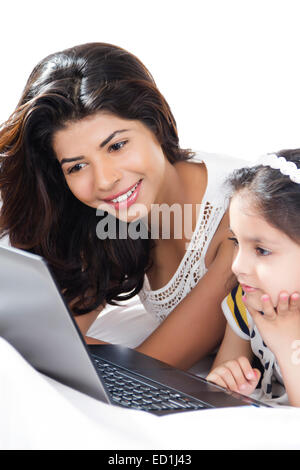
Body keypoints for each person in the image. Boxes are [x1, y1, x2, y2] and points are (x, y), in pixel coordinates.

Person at [0, 42, 246, 371]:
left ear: (155, 124)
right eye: (76, 166)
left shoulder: (240, 215)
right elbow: (56, 336)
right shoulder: (114, 216)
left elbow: (152, 367)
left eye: (116, 145)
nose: (104, 180)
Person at [206, 149, 300, 406]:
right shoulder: (247, 300)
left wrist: (286, 343)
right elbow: (220, 384)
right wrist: (226, 382)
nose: (237, 266)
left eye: (261, 250)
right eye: (236, 241)